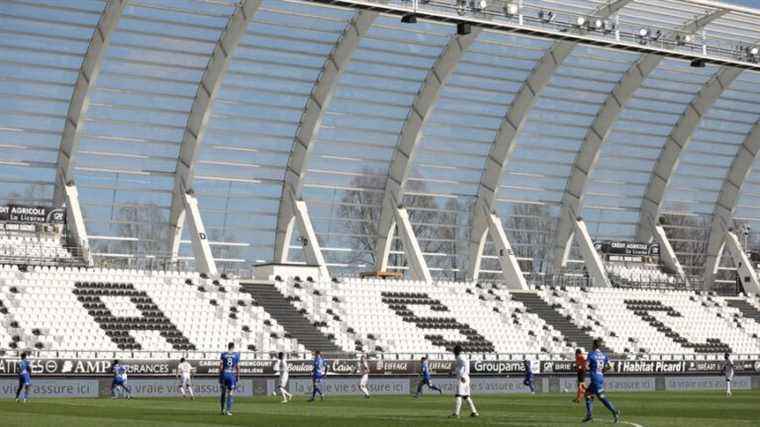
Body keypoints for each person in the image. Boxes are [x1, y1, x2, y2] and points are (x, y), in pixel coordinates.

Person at [583, 339, 620, 424]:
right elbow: (610, 366)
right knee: (588, 394)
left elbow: (586, 366)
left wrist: (589, 368)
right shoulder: (604, 355)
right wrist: (602, 370)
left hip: (595, 378)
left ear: (594, 345)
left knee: (602, 397)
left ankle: (615, 411)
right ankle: (589, 415)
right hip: (600, 377)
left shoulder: (591, 354)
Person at [450, 345, 478, 418]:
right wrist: (452, 370)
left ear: (456, 351)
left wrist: (462, 375)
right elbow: (458, 366)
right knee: (466, 396)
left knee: (458, 395)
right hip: (466, 378)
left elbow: (465, 365)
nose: (453, 352)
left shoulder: (460, 357)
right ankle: (474, 412)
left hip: (463, 378)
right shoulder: (461, 357)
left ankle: (456, 414)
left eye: (454, 351)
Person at [219, 342, 240, 416]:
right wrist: (238, 376)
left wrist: (220, 376)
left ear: (228, 346)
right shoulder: (236, 355)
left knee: (223, 393)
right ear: (233, 347)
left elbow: (221, 367)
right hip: (231, 374)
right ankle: (228, 411)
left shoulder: (223, 354)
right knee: (230, 393)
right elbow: (237, 367)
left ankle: (222, 410)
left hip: (224, 373)